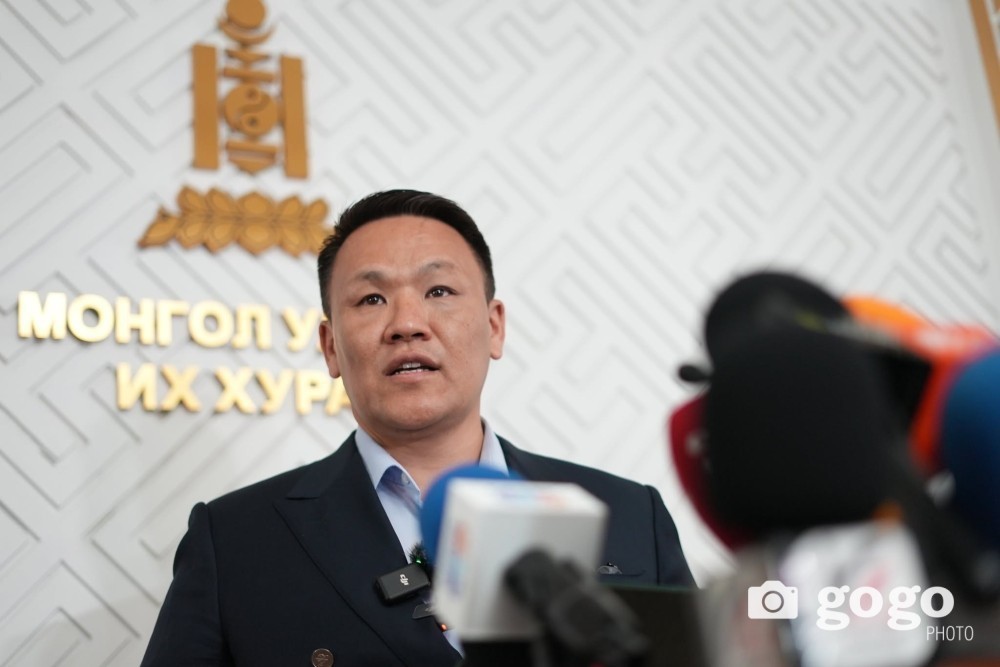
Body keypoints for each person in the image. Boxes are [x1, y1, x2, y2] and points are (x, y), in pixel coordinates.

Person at [140, 189, 693, 667]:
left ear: (495, 327)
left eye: (439, 291)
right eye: (372, 298)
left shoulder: (629, 514)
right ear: (331, 347)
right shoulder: (235, 541)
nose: (406, 324)